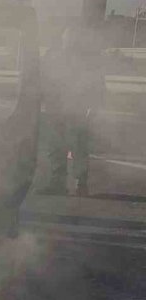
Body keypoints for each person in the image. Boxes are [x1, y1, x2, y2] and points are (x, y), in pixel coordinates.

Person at [40, 26, 106, 196]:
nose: (70, 42)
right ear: (63, 40)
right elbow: (43, 80)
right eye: (68, 39)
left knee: (79, 148)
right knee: (56, 148)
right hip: (57, 110)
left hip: (77, 111)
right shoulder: (53, 56)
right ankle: (58, 183)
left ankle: (80, 184)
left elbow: (98, 85)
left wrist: (94, 107)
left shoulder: (88, 61)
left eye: (73, 39)